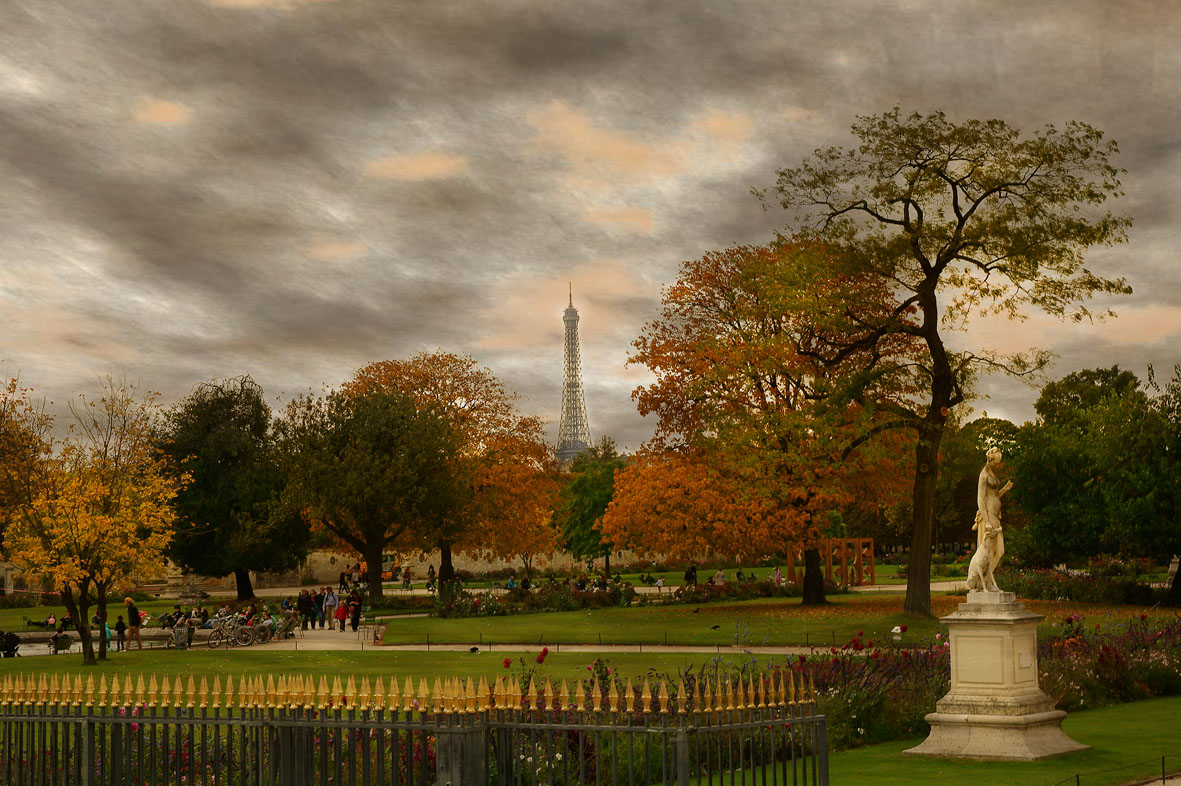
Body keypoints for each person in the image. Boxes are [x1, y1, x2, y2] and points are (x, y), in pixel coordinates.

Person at [970, 446, 1013, 592]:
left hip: (995, 516)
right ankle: (983, 584)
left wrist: (1004, 490)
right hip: (988, 517)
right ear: (990, 459)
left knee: (999, 551)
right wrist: (987, 521)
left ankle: (986, 582)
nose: (997, 465)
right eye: (996, 462)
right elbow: (980, 500)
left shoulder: (992, 474)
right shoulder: (984, 475)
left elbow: (993, 496)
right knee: (987, 553)